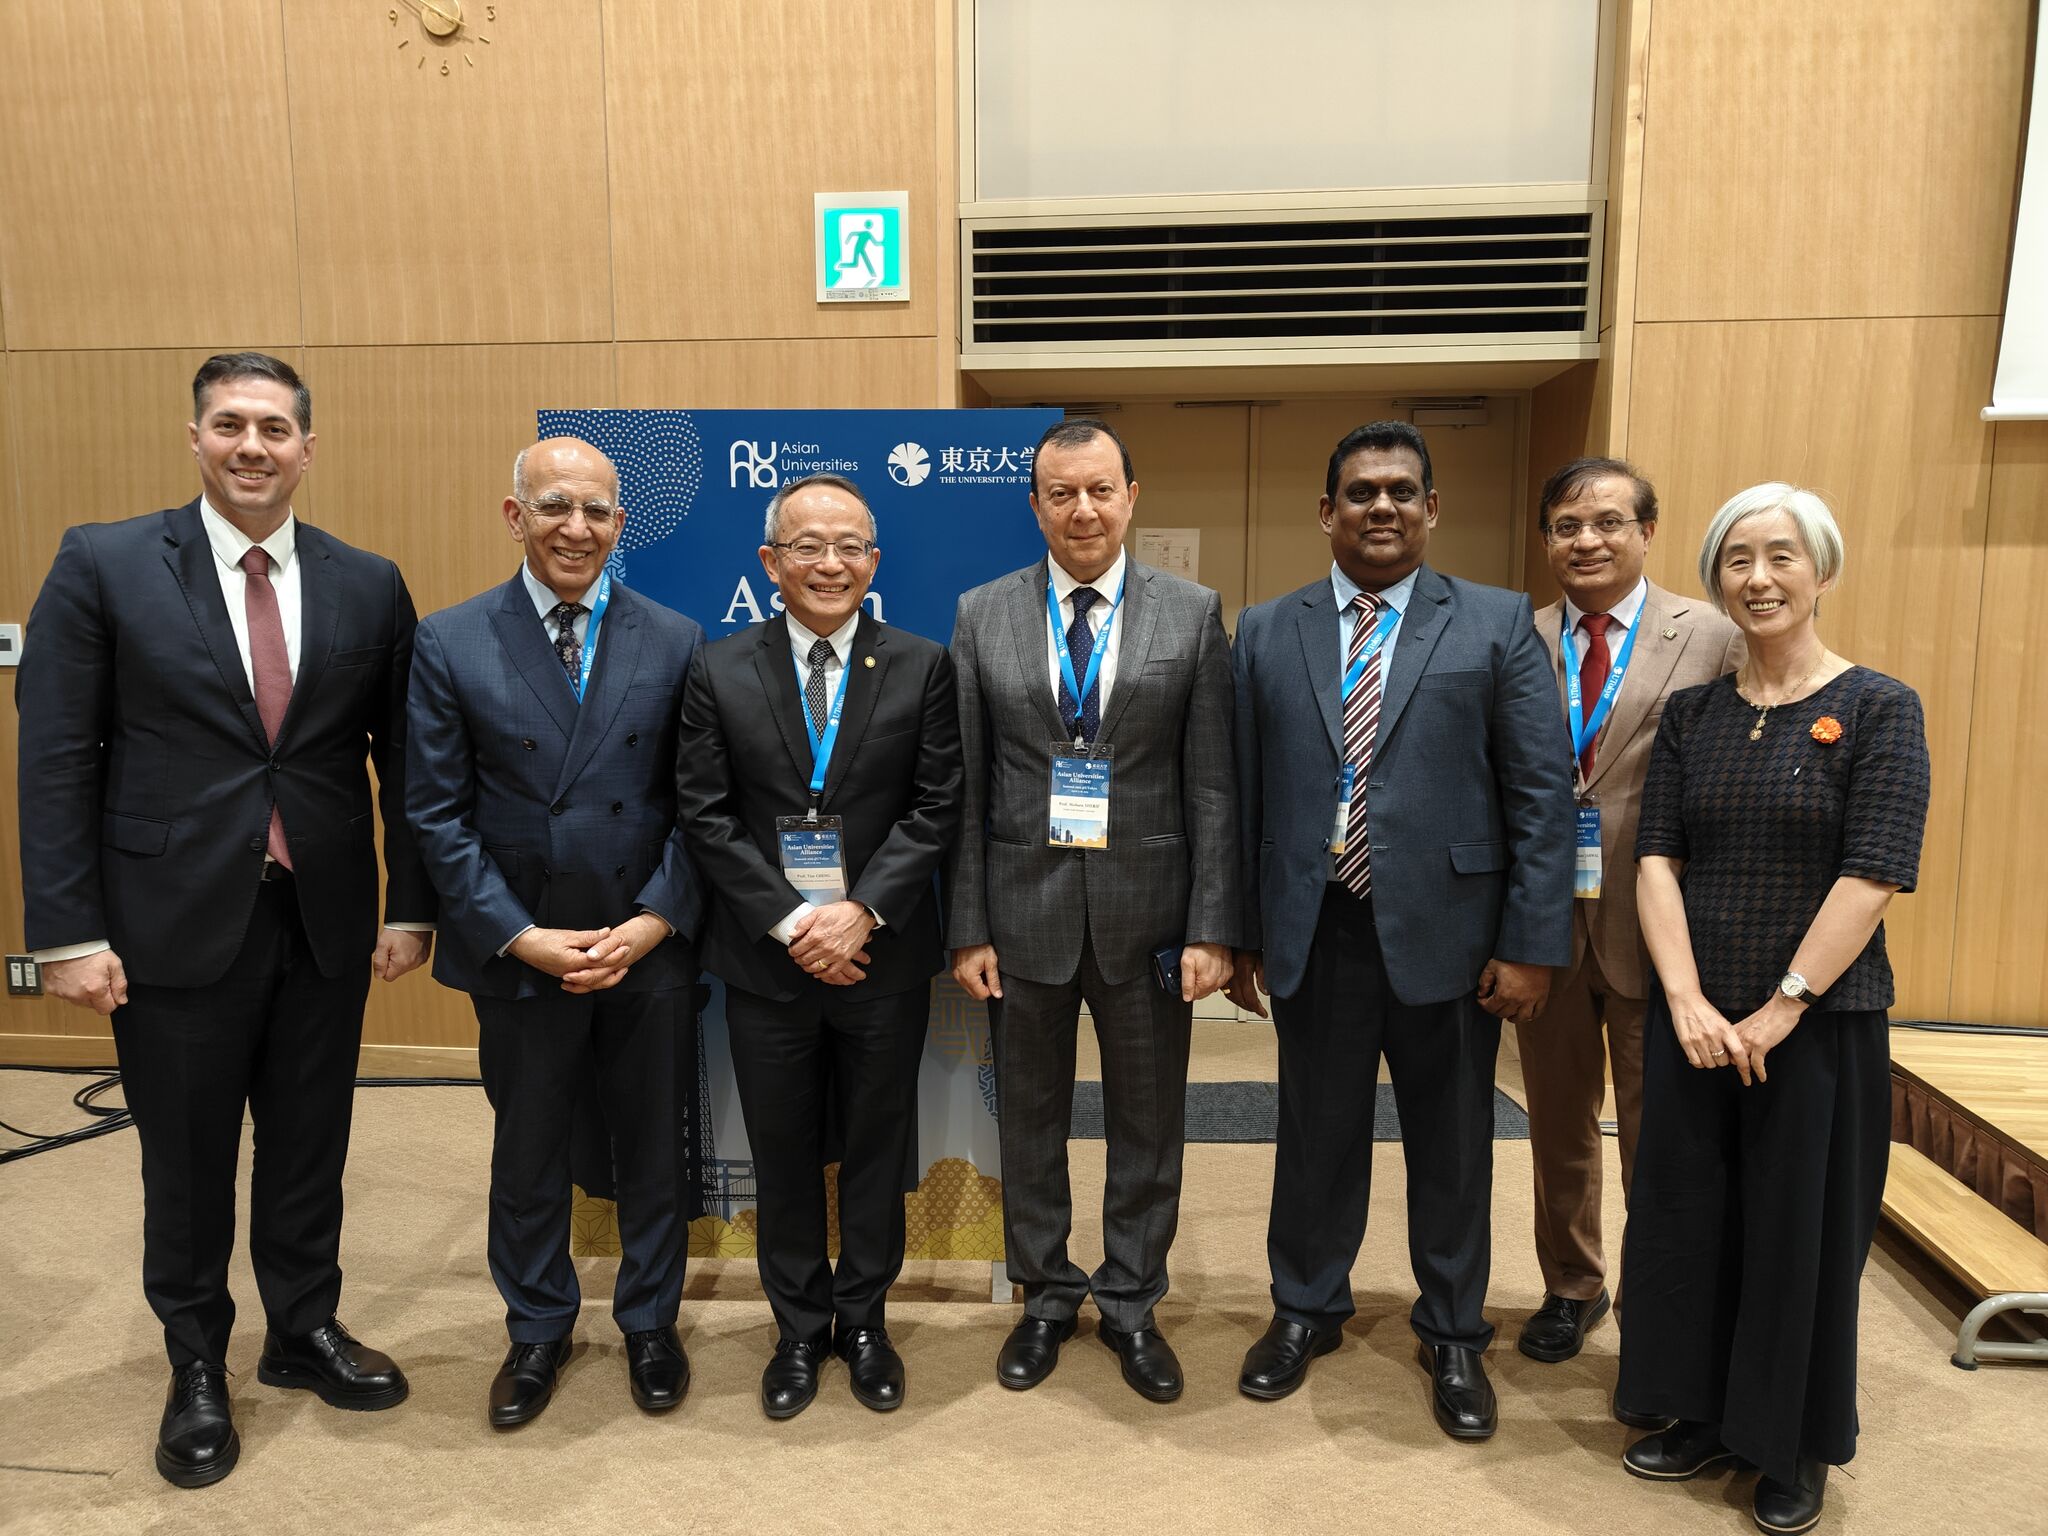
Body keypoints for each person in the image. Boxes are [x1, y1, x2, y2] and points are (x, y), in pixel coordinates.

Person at [15, 352, 436, 1487]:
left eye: (274, 428)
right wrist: (66, 931)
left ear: (308, 448)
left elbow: (403, 762)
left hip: (323, 920)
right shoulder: (104, 563)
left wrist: (413, 909)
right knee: (188, 1162)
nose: (253, 445)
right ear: (195, 438)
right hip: (166, 921)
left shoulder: (366, 582)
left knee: (311, 1147)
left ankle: (302, 1333)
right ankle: (197, 1362)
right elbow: (56, 755)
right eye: (229, 425)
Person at [1227, 420, 1574, 1439]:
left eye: (1401, 491)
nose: (1380, 507)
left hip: (1455, 936)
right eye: (1360, 492)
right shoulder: (1264, 628)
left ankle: (1454, 1332)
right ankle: (1303, 1309)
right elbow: (1246, 795)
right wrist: (1244, 933)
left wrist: (1528, 943)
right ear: (1325, 511)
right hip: (1316, 925)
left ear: (1430, 510)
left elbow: (1538, 798)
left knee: (1454, 1144)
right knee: (1314, 1136)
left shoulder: (1497, 622)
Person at [1616, 485, 1928, 1535]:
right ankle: (1697, 1413)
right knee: (1686, 1222)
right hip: (1695, 1021)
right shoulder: (1694, 714)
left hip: (1818, 1029)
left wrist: (1782, 1005)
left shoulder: (1880, 707)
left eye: (1780, 557)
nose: (1757, 578)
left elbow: (1874, 871)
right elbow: (1654, 855)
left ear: (1819, 571)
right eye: (1737, 560)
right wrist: (1687, 1000)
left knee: (1799, 1236)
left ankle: (1787, 1443)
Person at [405, 437, 705, 1428]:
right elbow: (434, 815)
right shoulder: (451, 640)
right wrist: (515, 933)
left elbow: (700, 806)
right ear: (514, 515)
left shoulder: (674, 637)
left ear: (622, 524)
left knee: (652, 1149)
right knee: (528, 1153)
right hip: (523, 949)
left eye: (597, 512)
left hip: (643, 946)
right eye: (554, 508)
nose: (576, 529)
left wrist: (654, 918)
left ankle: (650, 1322)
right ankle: (537, 1327)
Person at [948, 418, 1239, 1403]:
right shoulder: (979, 614)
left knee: (1147, 1124)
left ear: (1131, 495)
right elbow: (968, 787)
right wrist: (967, 925)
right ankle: (1042, 1297)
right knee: (1027, 1120)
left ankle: (1128, 1302)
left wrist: (1211, 927)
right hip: (1018, 915)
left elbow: (1210, 788)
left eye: (1099, 490)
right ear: (1034, 504)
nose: (1081, 509)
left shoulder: (1190, 613)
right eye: (1060, 493)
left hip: (1150, 915)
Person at [675, 474, 962, 1419]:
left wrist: (862, 911)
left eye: (848, 546)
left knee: (879, 1144)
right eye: (806, 546)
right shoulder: (716, 669)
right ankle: (798, 1328)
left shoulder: (922, 666)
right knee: (783, 1148)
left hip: (881, 956)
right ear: (771, 562)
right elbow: (706, 818)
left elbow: (934, 809)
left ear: (873, 561)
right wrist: (797, 922)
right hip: (769, 960)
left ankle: (865, 1321)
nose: (828, 562)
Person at [1517, 458, 1743, 1377]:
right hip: (1542, 926)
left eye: (1609, 522)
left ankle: (1663, 1298)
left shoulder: (1716, 635)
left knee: (1664, 1133)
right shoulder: (1515, 637)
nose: (1588, 540)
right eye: (1568, 525)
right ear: (1547, 540)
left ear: (1648, 531)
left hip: (1663, 932)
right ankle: (1573, 1285)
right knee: (1556, 1123)